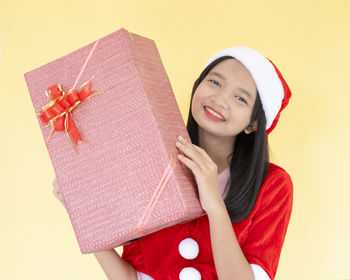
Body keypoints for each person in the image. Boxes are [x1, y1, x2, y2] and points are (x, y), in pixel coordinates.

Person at [53, 46, 293, 280]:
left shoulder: (273, 184)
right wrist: (81, 215)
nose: (219, 98)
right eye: (215, 82)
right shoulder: (151, 159)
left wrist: (215, 207)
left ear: (253, 123)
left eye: (240, 98)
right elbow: (131, 275)